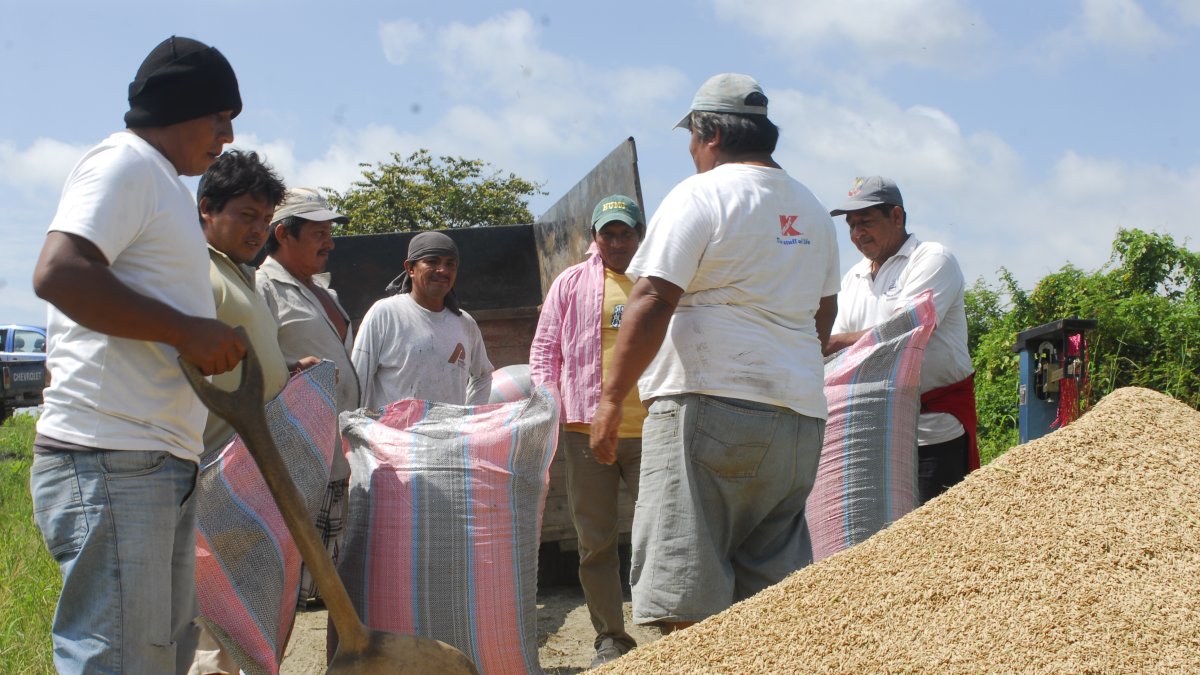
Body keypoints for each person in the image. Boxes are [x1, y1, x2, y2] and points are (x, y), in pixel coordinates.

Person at [590, 73, 840, 633]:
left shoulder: (702, 194)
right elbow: (822, 319)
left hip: (709, 410)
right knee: (768, 613)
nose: (689, 150)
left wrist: (610, 400)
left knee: (685, 609)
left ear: (708, 132)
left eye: (691, 137)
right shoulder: (814, 211)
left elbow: (652, 298)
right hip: (798, 423)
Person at [29, 36, 245, 673]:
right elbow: (61, 272)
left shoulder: (166, 187)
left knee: (151, 658)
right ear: (182, 107)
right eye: (220, 118)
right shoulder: (122, 164)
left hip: (154, 462)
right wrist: (187, 331)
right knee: (120, 659)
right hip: (112, 456)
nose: (227, 137)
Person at [191, 150, 321, 675]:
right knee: (211, 617)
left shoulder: (237, 273)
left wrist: (284, 367)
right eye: (246, 216)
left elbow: (236, 350)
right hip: (211, 470)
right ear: (207, 209)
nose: (257, 230)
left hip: (248, 468)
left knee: (245, 612)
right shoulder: (192, 271)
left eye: (264, 220)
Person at [529, 194, 647, 667]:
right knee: (595, 539)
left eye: (626, 233)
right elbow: (545, 349)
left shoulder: (659, 278)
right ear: (595, 237)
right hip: (585, 428)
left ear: (640, 234)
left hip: (651, 426)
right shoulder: (571, 283)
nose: (617, 242)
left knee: (663, 532)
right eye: (608, 233)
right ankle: (611, 636)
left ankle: (669, 622)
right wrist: (547, 406)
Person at [824, 176, 978, 502]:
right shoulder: (854, 277)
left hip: (932, 431)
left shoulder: (932, 259)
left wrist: (835, 342)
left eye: (865, 222)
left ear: (896, 216)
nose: (857, 234)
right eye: (851, 226)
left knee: (935, 536)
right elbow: (836, 357)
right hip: (872, 432)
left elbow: (906, 333)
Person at [257, 187, 359, 608]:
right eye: (318, 232)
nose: (330, 242)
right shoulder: (262, 288)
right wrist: (291, 367)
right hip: (296, 462)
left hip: (336, 458)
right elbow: (252, 363)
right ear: (283, 233)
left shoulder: (324, 292)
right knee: (279, 586)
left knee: (331, 582)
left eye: (329, 232)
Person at [352, 231, 494, 408]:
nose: (442, 270)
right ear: (410, 268)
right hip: (394, 435)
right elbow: (357, 379)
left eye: (450, 264)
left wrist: (471, 418)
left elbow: (483, 375)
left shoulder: (466, 324)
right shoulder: (385, 314)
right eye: (432, 261)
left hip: (449, 435)